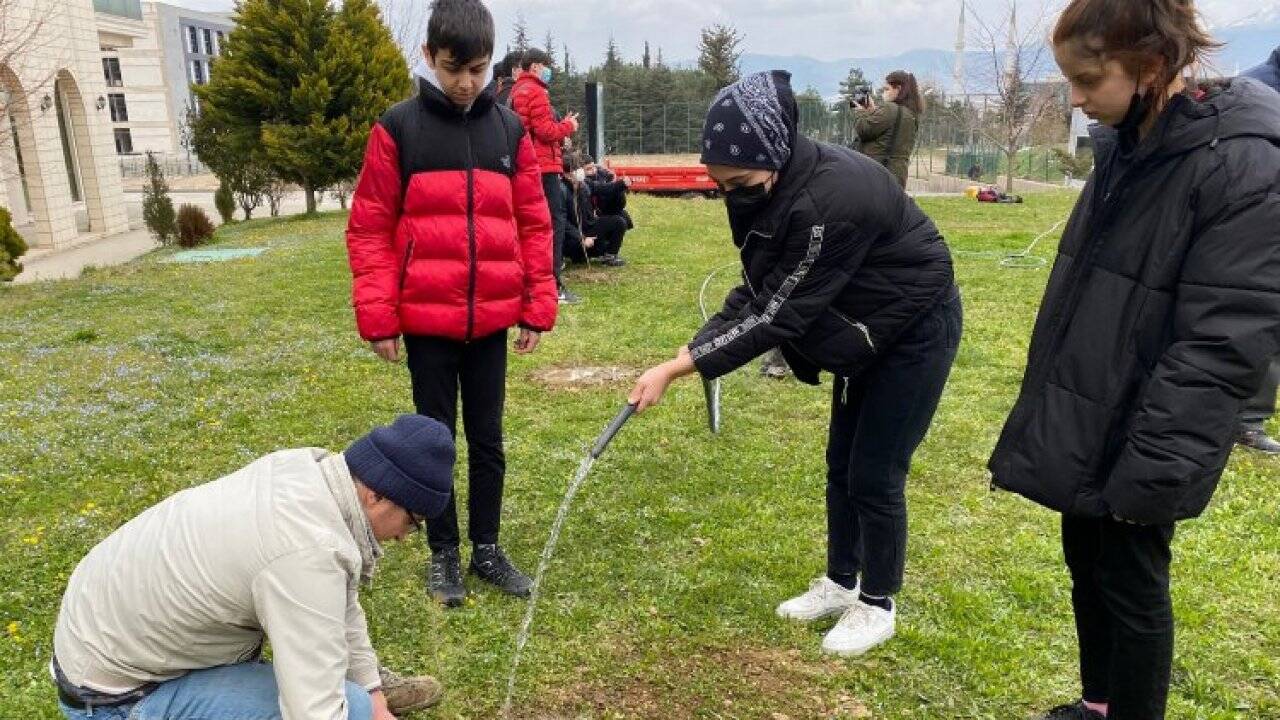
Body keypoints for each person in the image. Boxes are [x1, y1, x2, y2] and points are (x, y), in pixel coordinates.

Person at [987, 2, 1280, 718]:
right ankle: (1098, 705)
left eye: (1088, 80)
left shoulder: (1244, 160)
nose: (1077, 100)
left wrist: (1156, 463)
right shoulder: (1130, 140)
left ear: (1151, 66)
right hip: (1092, 404)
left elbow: (1225, 337)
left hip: (1156, 422)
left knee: (1132, 579)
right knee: (1086, 561)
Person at [629, 70, 962, 657]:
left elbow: (777, 315)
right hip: (864, 327)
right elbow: (757, 288)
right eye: (720, 185)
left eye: (739, 183)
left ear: (775, 157)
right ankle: (841, 581)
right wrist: (680, 355)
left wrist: (679, 370)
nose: (731, 194)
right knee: (842, 464)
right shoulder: (781, 187)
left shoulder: (829, 204)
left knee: (876, 474)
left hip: (912, 331)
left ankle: (877, 603)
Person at [346, 0, 558, 607]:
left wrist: (535, 304)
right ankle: (444, 554)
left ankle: (486, 548)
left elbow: (534, 222)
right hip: (428, 325)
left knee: (487, 439)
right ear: (429, 58)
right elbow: (369, 227)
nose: (466, 82)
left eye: (478, 69)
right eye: (453, 68)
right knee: (433, 440)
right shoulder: (398, 128)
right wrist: (379, 316)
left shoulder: (509, 131)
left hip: (490, 320)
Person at [52, 415, 454, 720]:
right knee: (349, 710)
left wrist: (374, 693)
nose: (406, 536)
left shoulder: (308, 472)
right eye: (413, 521)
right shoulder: (305, 552)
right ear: (376, 495)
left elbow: (341, 602)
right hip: (115, 699)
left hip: (105, 643)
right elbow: (313, 711)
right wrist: (362, 706)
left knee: (363, 703)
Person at [1235, 45, 1280, 455]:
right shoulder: (1254, 90)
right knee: (1255, 320)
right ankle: (1241, 422)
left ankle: (1249, 420)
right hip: (1251, 227)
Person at [510, 47, 582, 305]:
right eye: (545, 65)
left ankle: (529, 281)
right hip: (543, 168)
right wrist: (568, 127)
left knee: (528, 226)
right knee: (553, 223)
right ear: (535, 67)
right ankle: (552, 283)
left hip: (526, 167)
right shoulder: (537, 91)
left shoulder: (517, 91)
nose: (548, 70)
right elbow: (545, 131)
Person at [852, 70, 924, 188]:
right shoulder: (911, 114)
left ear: (898, 89)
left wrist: (861, 112)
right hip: (897, 174)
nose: (883, 93)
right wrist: (873, 112)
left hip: (878, 172)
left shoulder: (890, 109)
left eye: (887, 89)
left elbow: (863, 130)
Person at [561, 157, 627, 267]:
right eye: (576, 169)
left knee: (619, 221)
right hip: (573, 236)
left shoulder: (585, 184)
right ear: (566, 174)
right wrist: (581, 238)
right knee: (583, 247)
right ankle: (576, 255)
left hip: (589, 226)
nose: (580, 172)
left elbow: (603, 188)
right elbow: (563, 222)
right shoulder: (562, 191)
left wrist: (621, 184)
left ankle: (610, 256)